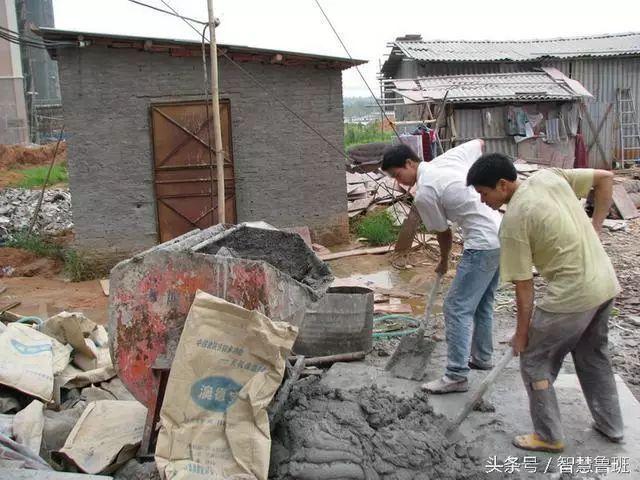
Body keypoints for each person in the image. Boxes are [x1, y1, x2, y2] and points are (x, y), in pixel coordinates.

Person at [466, 153, 623, 453]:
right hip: (604, 283)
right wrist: (596, 228)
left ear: (502, 185)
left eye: (484, 194)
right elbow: (605, 178)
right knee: (593, 355)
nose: (482, 200)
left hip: (573, 295)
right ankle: (611, 425)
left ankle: (548, 436)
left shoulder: (513, 222)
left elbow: (525, 289)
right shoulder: (549, 175)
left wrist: (522, 334)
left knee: (536, 360)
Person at [382, 139, 502, 393]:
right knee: (482, 302)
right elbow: (478, 143)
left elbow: (443, 234)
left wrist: (444, 261)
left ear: (409, 163)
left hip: (481, 243)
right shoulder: (447, 160)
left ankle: (457, 375)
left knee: (456, 307)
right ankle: (482, 357)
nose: (398, 181)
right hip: (501, 234)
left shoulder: (425, 192)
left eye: (398, 174)